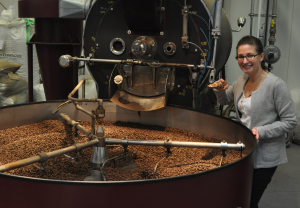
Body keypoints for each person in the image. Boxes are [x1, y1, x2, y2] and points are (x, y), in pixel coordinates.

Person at [213, 36, 297, 208]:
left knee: (249, 200)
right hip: (242, 151)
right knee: (240, 198)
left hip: (265, 156)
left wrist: (262, 131)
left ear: (261, 56)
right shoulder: (242, 80)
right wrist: (220, 90)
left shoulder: (275, 85)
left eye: (250, 55)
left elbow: (290, 121)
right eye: (240, 57)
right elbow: (226, 100)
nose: (245, 61)